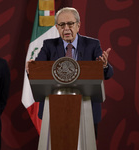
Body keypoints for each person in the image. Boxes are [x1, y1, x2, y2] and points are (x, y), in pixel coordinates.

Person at [26, 7, 113, 138]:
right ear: (57, 27)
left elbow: (107, 73)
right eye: (61, 25)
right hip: (54, 109)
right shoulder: (49, 45)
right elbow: (37, 72)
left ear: (78, 25)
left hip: (86, 109)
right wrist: (31, 69)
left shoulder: (92, 45)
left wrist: (104, 66)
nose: (66, 28)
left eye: (70, 24)